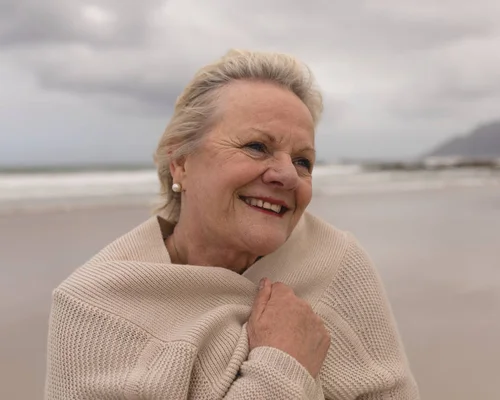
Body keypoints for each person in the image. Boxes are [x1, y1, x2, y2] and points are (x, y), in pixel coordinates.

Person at [44, 49, 420, 399]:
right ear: (181, 163)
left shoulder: (336, 263)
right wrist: (282, 365)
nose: (287, 175)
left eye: (303, 161)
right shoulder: (96, 307)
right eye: (257, 147)